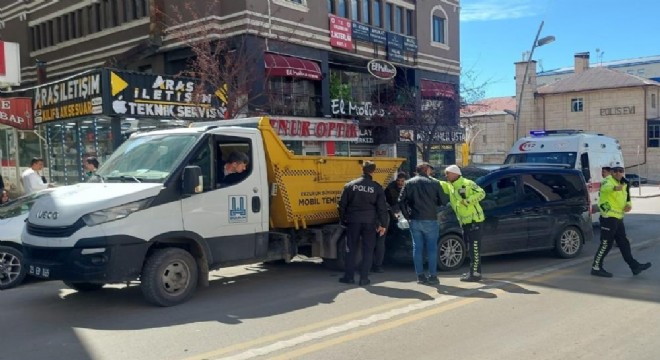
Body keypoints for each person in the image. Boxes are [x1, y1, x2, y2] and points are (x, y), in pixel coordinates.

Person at [591, 161, 652, 277]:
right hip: (608, 217)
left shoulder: (625, 183)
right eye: (615, 171)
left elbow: (628, 198)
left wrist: (629, 205)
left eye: (621, 170)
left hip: (618, 217)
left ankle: (634, 266)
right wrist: (615, 187)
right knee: (606, 243)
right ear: (611, 172)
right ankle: (596, 267)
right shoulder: (607, 181)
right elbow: (606, 189)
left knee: (624, 243)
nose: (618, 173)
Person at [337, 160, 388, 286]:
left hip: (353, 221)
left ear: (362, 169)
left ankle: (349, 277)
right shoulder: (376, 187)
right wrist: (383, 224)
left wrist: (343, 219)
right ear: (373, 171)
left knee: (350, 249)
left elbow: (341, 205)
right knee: (368, 250)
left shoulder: (350, 185)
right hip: (370, 222)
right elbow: (382, 208)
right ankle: (364, 278)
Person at [398, 162, 445, 285]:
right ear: (426, 169)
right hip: (430, 219)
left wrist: (407, 216)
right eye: (430, 169)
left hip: (415, 219)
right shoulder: (435, 183)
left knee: (417, 248)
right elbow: (443, 200)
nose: (431, 171)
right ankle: (433, 276)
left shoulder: (409, 183)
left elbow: (400, 201)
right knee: (432, 249)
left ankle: (420, 276)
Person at [442, 165, 486, 282]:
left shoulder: (467, 183)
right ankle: (474, 271)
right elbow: (439, 184)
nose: (446, 176)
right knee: (470, 249)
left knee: (474, 249)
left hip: (474, 221)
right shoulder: (451, 186)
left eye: (448, 173)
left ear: (455, 173)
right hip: (465, 222)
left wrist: (467, 201)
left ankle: (475, 274)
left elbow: (482, 193)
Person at [372, 171, 408, 273]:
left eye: (402, 181)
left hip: (391, 214)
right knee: (381, 240)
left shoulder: (406, 187)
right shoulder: (391, 188)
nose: (400, 183)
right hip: (389, 214)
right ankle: (379, 263)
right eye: (398, 181)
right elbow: (395, 203)